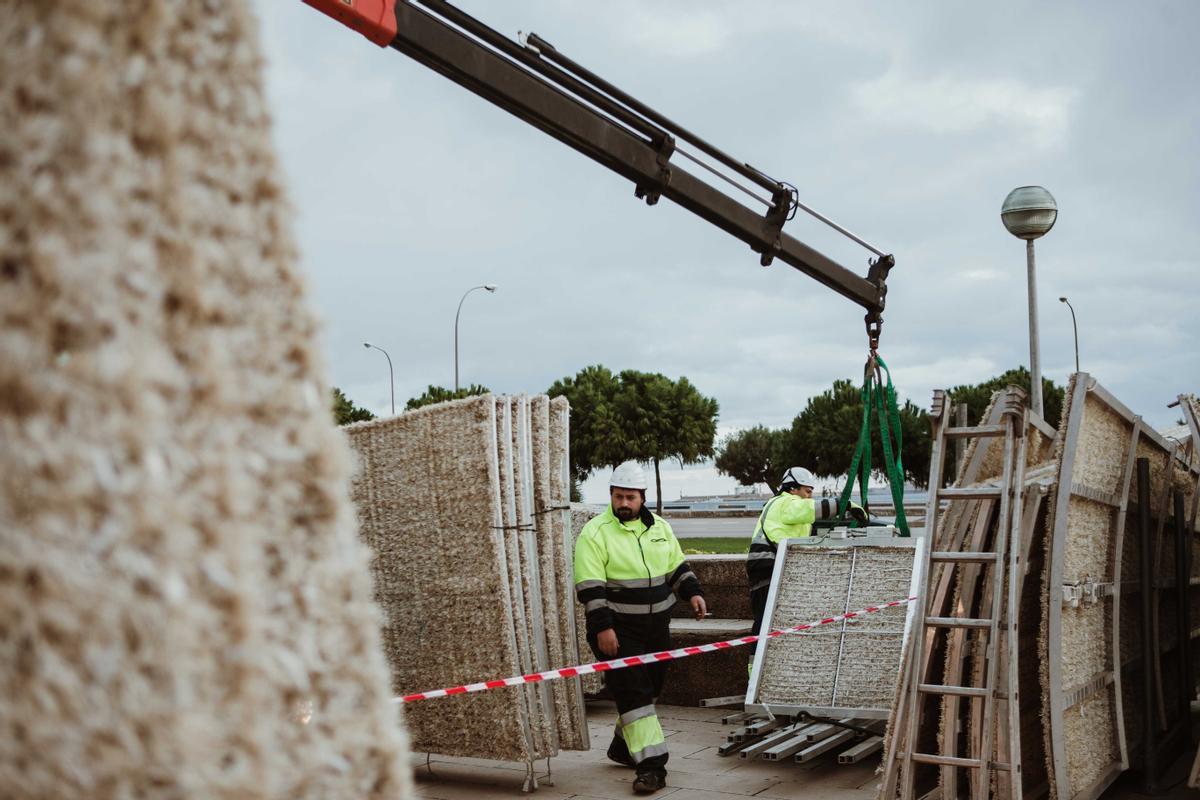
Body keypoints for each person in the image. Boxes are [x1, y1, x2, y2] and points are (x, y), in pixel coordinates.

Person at [574, 461, 706, 795]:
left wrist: (693, 593)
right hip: (617, 629)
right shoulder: (595, 532)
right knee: (635, 694)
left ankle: (622, 746)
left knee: (650, 689)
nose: (624, 504)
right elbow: (591, 587)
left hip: (656, 627)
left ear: (642, 498)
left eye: (630, 497)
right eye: (618, 497)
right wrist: (603, 629)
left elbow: (677, 566)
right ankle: (652, 767)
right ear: (611, 495)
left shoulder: (660, 527)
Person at [746, 467, 868, 642]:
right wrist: (845, 504)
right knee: (765, 622)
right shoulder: (784, 502)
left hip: (771, 566)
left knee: (771, 621)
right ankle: (754, 666)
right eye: (807, 491)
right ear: (792, 489)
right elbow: (810, 509)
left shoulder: (789, 507)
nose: (810, 496)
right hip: (767, 566)